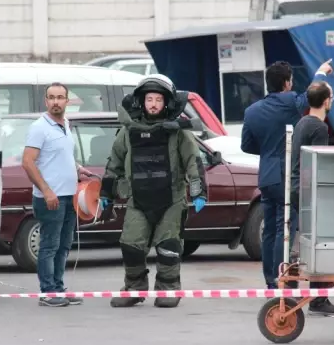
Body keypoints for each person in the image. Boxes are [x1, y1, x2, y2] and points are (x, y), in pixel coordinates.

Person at [98, 74, 208, 308]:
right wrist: (105, 193)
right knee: (131, 246)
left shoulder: (177, 132)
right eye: (149, 99)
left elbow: (193, 161)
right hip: (138, 200)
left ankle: (168, 290)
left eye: (158, 99)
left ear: (166, 102)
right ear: (142, 102)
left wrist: (198, 191)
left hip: (171, 200)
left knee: (169, 247)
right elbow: (114, 163)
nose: (154, 104)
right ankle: (134, 289)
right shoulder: (128, 131)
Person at [241, 60, 333, 290]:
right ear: (286, 83)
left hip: (266, 176)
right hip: (285, 177)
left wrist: (268, 151)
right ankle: (283, 279)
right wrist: (321, 72)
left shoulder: (251, 111)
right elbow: (312, 95)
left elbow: (246, 145)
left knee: (270, 230)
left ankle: (271, 281)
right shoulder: (290, 102)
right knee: (286, 230)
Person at [22, 82, 94, 307]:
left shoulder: (65, 124)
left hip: (69, 196)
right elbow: (28, 162)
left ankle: (58, 288)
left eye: (60, 97)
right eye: (51, 98)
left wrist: (78, 168)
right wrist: (46, 190)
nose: (56, 102)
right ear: (46, 101)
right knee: (49, 245)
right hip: (50, 198)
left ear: (67, 101)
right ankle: (48, 292)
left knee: (64, 245)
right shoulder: (39, 127)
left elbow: (61, 156)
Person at [289, 81, 334, 315]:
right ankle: (319, 299)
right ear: (326, 101)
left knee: (301, 242)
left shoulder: (302, 122)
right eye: (331, 97)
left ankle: (292, 290)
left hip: (295, 188)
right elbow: (316, 164)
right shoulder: (319, 128)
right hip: (307, 190)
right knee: (318, 244)